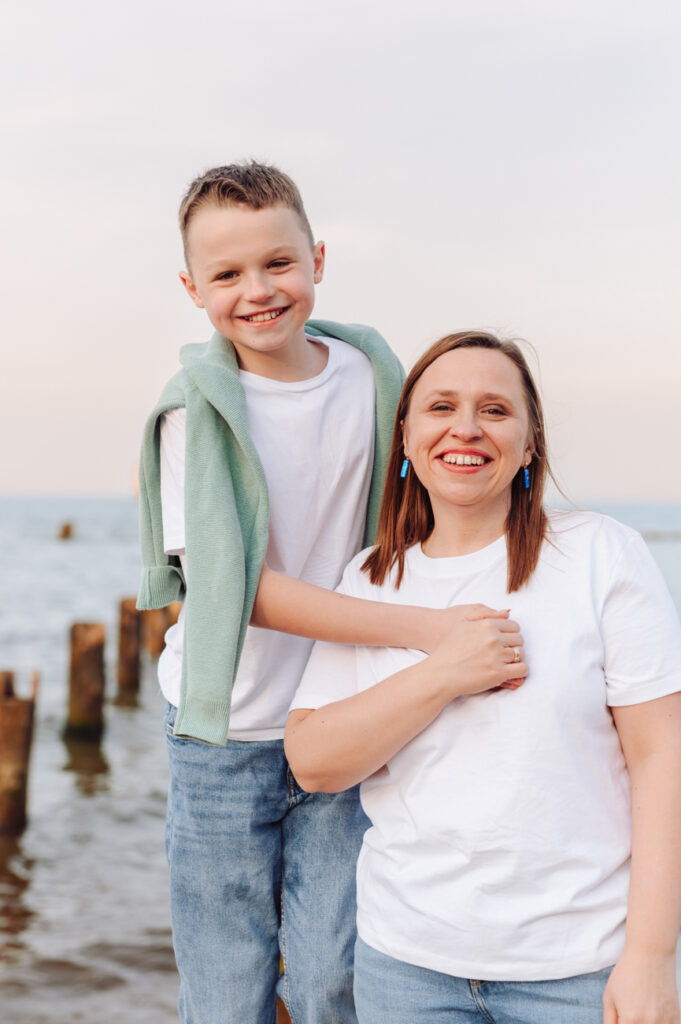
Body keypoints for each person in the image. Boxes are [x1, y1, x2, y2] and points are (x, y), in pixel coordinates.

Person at [137, 165, 512, 1024]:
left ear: (317, 259)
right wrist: (426, 632)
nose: (258, 291)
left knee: (332, 980)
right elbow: (242, 596)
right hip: (224, 734)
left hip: (349, 724)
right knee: (227, 989)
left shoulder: (374, 377)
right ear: (193, 289)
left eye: (278, 263)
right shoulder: (190, 414)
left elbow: (437, 496)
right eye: (226, 275)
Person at [286, 330, 681, 1024]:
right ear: (405, 437)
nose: (464, 428)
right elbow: (314, 762)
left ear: (530, 444)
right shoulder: (371, 579)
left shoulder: (599, 555)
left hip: (578, 968)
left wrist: (649, 956)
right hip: (405, 968)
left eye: (494, 410)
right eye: (440, 407)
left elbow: (661, 758)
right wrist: (441, 673)